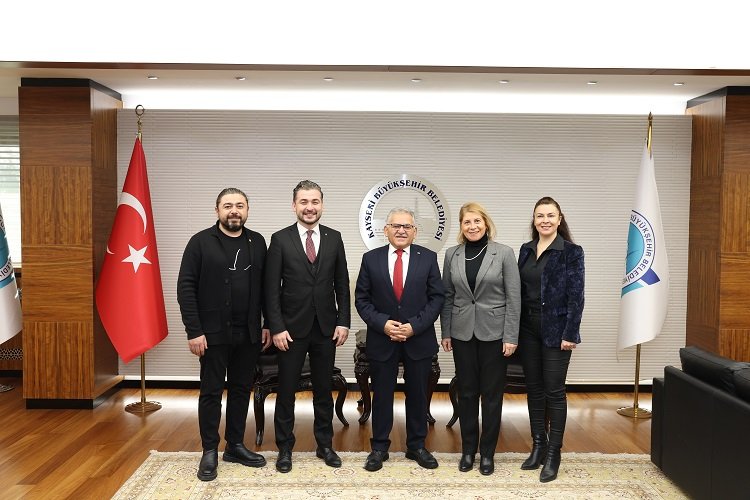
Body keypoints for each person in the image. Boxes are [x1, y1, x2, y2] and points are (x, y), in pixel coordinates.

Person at [177, 187, 270, 482]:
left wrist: (267, 323)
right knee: (212, 392)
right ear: (217, 210)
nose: (234, 211)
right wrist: (194, 330)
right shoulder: (200, 242)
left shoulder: (258, 242)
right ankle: (209, 450)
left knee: (241, 390)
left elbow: (267, 288)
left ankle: (235, 446)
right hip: (212, 334)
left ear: (247, 210)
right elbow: (185, 288)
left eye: (240, 205)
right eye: (228, 205)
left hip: (249, 333)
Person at [264, 180, 350, 473]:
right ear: (294, 206)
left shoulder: (334, 238)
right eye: (304, 202)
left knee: (323, 391)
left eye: (315, 201)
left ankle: (325, 445)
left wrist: (343, 321)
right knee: (286, 391)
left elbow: (342, 284)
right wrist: (276, 327)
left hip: (326, 328)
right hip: (290, 330)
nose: (309, 207)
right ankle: (284, 449)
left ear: (322, 205)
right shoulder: (280, 239)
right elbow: (271, 289)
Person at [355, 208, 445, 472]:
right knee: (382, 395)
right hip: (382, 338)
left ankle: (416, 446)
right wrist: (383, 324)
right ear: (386, 230)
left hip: (418, 338)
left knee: (417, 395)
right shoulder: (370, 259)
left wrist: (414, 326)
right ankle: (379, 448)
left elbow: (437, 298)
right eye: (396, 226)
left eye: (407, 226)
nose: (401, 230)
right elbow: (362, 299)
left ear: (415, 232)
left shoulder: (428, 258)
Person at [440, 202, 521, 475]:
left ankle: (487, 454)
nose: (472, 226)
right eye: (467, 222)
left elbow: (514, 298)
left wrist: (511, 336)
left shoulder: (504, 253)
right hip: (462, 333)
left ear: (486, 223)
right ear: (461, 226)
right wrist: (446, 331)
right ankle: (467, 451)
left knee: (491, 396)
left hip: (495, 335)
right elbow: (448, 296)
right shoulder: (452, 254)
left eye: (477, 221)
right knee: (466, 394)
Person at [517, 196, 584, 483]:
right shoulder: (526, 250)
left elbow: (577, 296)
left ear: (559, 219)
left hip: (557, 332)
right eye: (540, 216)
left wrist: (570, 332)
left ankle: (554, 453)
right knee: (534, 389)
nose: (545, 220)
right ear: (534, 220)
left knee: (554, 391)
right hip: (527, 330)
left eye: (550, 215)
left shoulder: (571, 252)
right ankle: (538, 446)